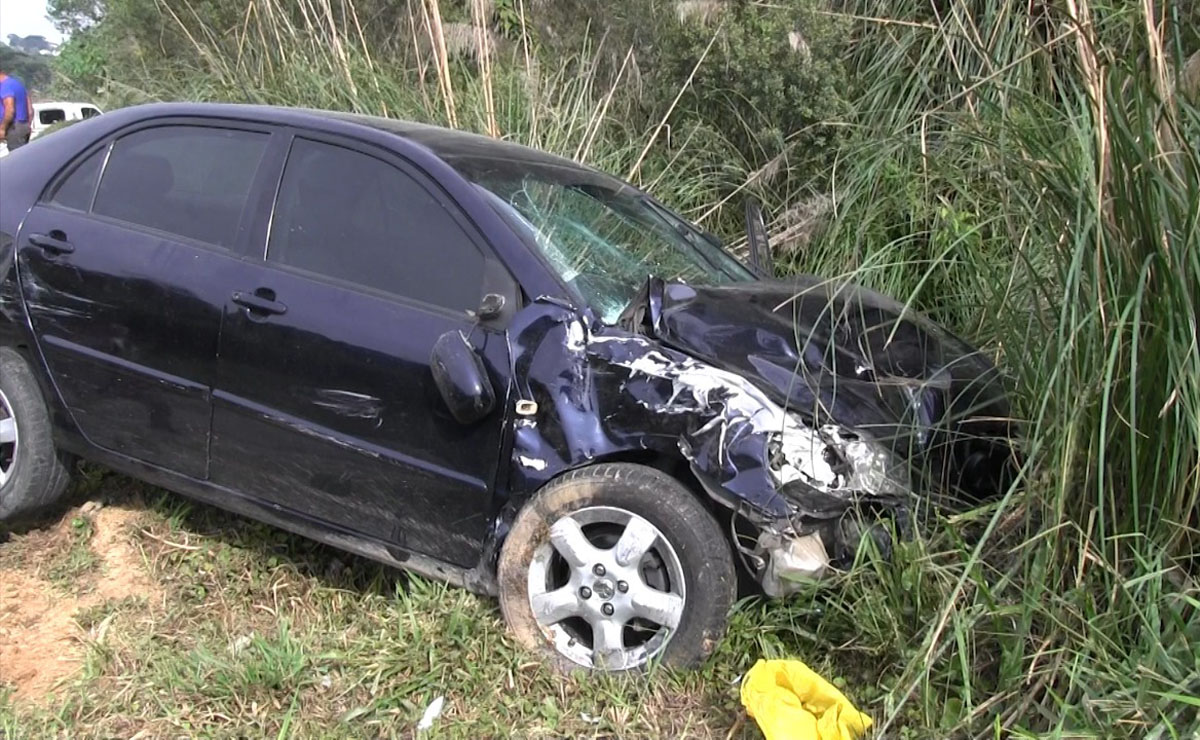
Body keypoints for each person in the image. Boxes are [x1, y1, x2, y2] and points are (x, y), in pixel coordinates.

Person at [0, 68, 34, 152]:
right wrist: (28, 125)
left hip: (14, 128)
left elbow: (10, 110)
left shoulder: (5, 86)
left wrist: (2, 128)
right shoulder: (17, 84)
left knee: (17, 159)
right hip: (23, 125)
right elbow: (30, 110)